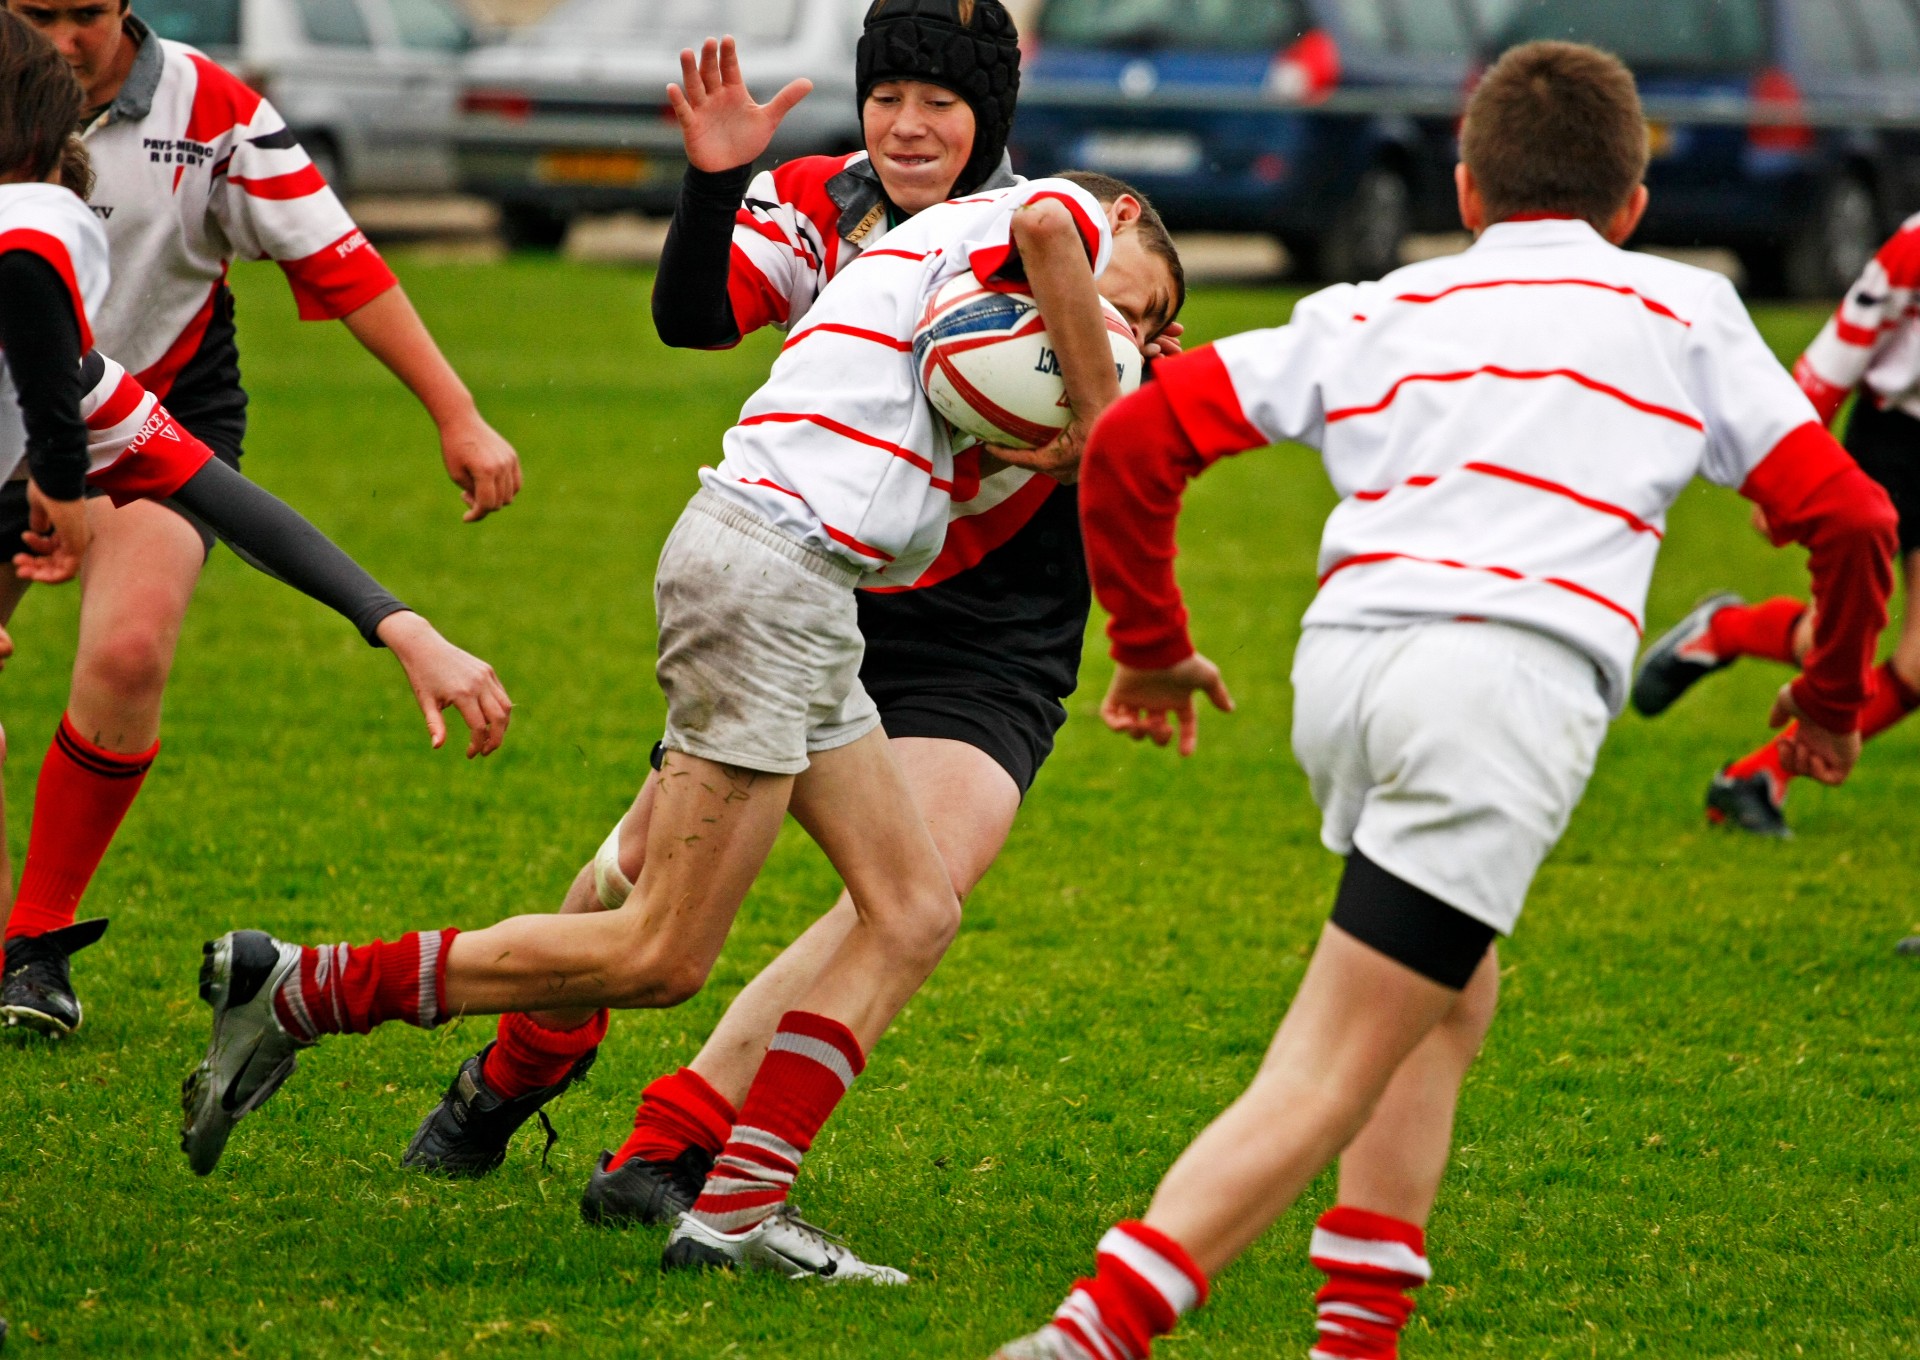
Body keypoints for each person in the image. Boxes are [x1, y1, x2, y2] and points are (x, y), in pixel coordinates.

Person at [992, 42, 1897, 1360]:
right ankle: (1089, 1336)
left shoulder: (1383, 304)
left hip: (1348, 674)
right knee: (1336, 1053)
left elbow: (1135, 434)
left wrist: (1148, 645)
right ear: (1633, 207)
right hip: (1502, 688)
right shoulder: (1682, 311)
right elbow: (1857, 518)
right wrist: (1823, 702)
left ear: (1465, 193)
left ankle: (1358, 1340)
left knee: (1444, 994)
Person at [178, 172, 1179, 1285]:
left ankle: (738, 1210)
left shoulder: (941, 254)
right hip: (773, 575)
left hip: (789, 577)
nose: (1090, 324)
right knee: (659, 952)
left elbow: (951, 397)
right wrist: (1101, 415)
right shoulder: (1054, 216)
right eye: (1097, 304)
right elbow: (1049, 231)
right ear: (1121, 214)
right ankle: (306, 988)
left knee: (910, 908)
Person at [397, 0, 1177, 1226]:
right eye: (889, 98)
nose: (911, 126)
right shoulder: (829, 204)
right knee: (645, 871)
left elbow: (1127, 431)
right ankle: (515, 1069)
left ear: (995, 119)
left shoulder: (1079, 262)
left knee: (913, 892)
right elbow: (694, 317)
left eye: (943, 102)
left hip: (990, 631)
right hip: (820, 587)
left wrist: (1121, 384)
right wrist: (714, 182)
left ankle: (673, 1146)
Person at [0, 0, 523, 1033]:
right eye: (38, 13)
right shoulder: (38, 265)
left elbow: (222, 474)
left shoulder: (96, 368)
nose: (66, 36)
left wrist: (401, 619)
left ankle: (32, 944)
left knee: (132, 644)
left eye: (85, 12)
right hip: (48, 443)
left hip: (122, 415)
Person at [1631, 214, 1920, 838]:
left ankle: (1755, 776)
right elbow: (1838, 350)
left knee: (1917, 663)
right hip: (1898, 442)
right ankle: (1729, 628)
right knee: (1834, 641)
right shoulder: (1915, 245)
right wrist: (1787, 464)